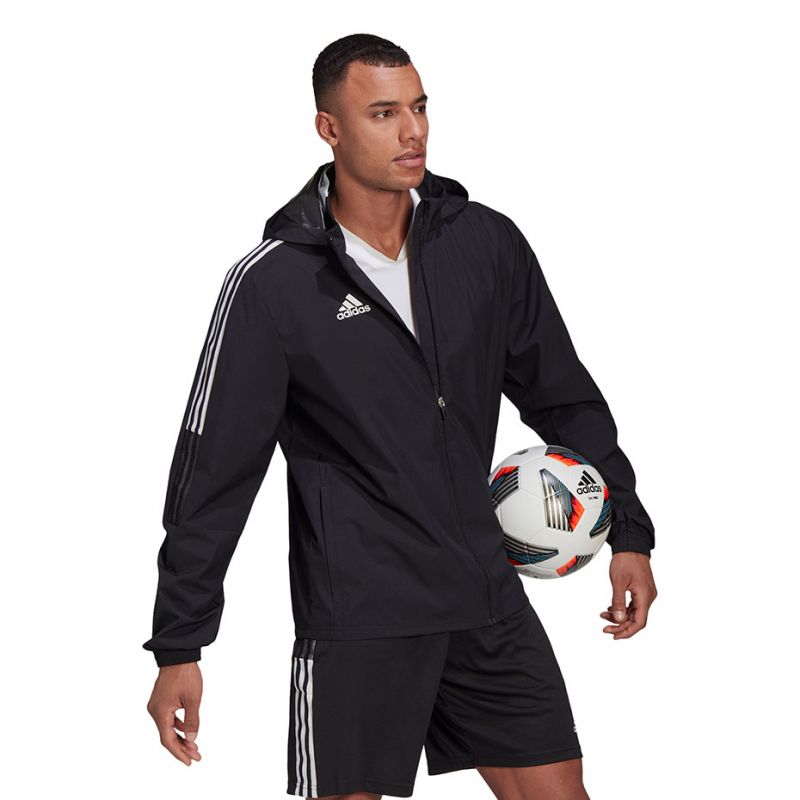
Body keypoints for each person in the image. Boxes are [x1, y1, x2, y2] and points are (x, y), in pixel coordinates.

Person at [144, 33, 657, 800]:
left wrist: (628, 530)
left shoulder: (483, 243)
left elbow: (563, 396)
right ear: (330, 129)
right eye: (383, 114)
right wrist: (180, 644)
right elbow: (214, 471)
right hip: (361, 617)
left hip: (484, 597)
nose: (412, 131)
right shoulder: (276, 284)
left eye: (419, 108)